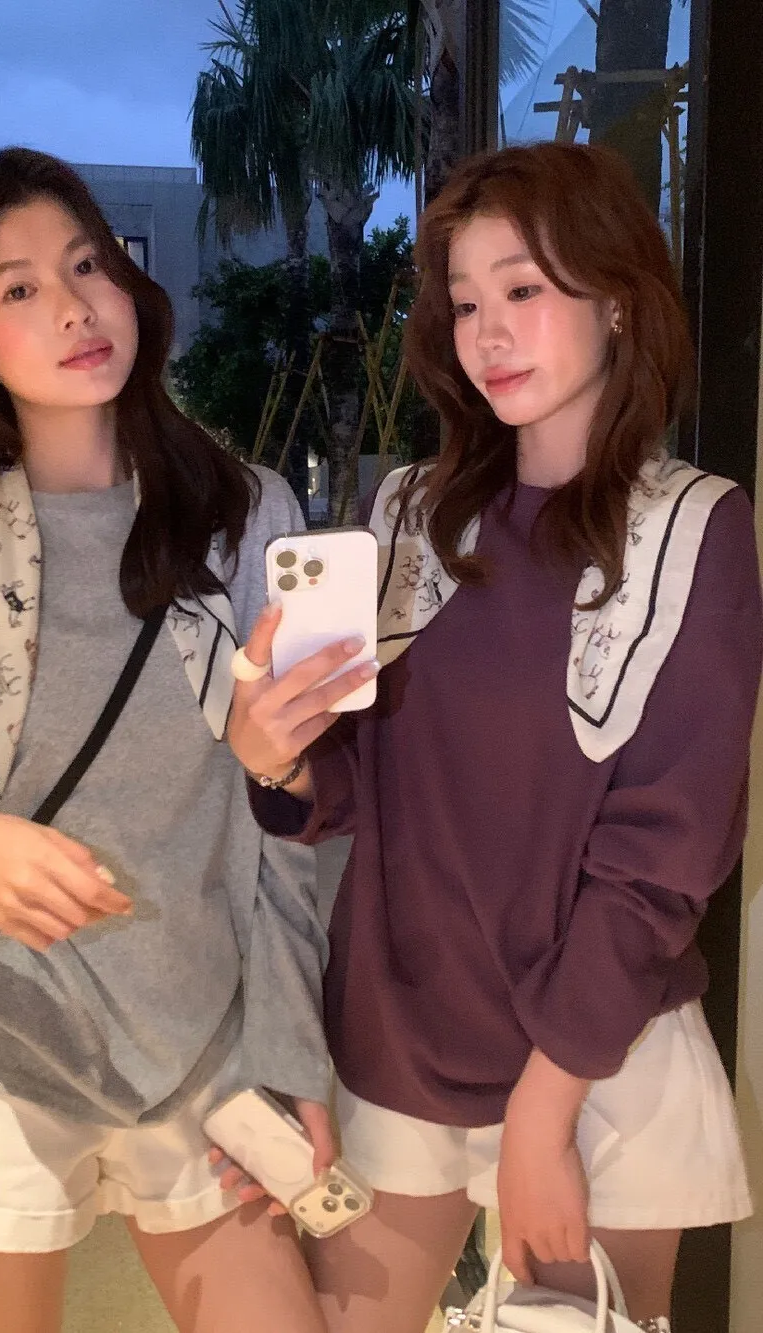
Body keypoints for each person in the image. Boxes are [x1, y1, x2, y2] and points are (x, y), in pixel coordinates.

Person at [0, 147, 335, 1333]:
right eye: (20, 287)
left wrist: (294, 1050)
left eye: (87, 265)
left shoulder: (244, 520)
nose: (76, 307)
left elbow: (289, 839)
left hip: (202, 1038)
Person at [225, 141, 763, 1333]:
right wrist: (276, 754)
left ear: (616, 297)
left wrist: (541, 1113)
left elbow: (662, 858)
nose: (487, 332)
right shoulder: (413, 512)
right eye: (465, 302)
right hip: (402, 1025)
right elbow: (364, 780)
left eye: (523, 288)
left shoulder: (693, 529)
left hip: (596, 1052)